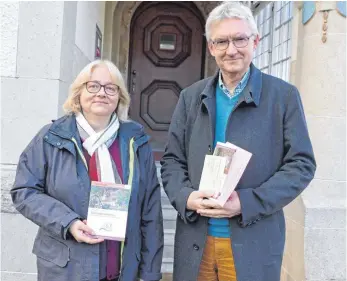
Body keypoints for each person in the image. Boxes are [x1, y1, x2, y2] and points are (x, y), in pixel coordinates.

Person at [160, 2, 316, 281]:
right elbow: (172, 160)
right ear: (211, 47)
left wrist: (247, 202)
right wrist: (186, 197)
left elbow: (301, 165)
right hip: (197, 239)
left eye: (240, 39)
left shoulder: (284, 97)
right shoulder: (190, 97)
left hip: (253, 241)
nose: (231, 49)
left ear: (255, 41)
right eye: (221, 41)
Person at [11, 60, 163, 281]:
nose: (102, 93)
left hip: (123, 269)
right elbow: (24, 191)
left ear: (119, 97)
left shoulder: (135, 140)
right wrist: (68, 222)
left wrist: (149, 273)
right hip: (66, 270)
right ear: (78, 93)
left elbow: (150, 210)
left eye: (111, 88)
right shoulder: (51, 137)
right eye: (93, 86)